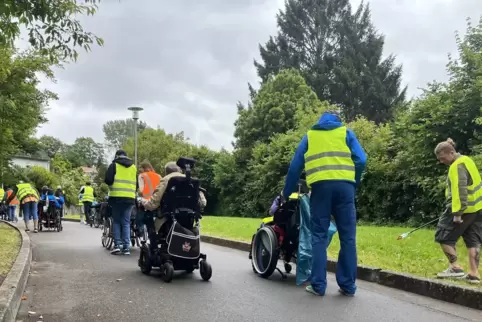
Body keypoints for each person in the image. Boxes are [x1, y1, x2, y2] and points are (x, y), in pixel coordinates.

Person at [282, 110, 367, 297]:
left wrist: (286, 192)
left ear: (320, 121)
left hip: (320, 190)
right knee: (348, 237)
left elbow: (295, 166)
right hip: (345, 189)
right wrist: (354, 181)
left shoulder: (310, 135)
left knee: (318, 236)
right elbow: (361, 159)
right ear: (338, 120)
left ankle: (318, 285)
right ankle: (348, 285)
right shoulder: (345, 132)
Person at [434, 138, 482, 285]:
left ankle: (455, 268)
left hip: (462, 209)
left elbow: (460, 191)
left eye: (442, 158)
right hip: (477, 208)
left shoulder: (457, 166)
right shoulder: (467, 160)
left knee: (443, 235)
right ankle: (474, 274)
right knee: (473, 240)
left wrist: (457, 214)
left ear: (451, 152)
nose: (441, 162)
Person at [141, 161, 206, 238]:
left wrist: (143, 203)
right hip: (189, 219)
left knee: (148, 216)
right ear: (180, 170)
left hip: (167, 219)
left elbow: (154, 202)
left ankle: (153, 246)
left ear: (166, 172)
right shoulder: (191, 180)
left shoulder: (166, 180)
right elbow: (203, 202)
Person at [105, 150, 138, 255]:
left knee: (117, 221)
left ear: (117, 156)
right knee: (126, 222)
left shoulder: (114, 165)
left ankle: (117, 245)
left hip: (116, 197)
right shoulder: (133, 167)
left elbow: (108, 180)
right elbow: (136, 185)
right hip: (130, 198)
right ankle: (126, 247)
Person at [137, 160, 161, 238]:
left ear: (143, 168)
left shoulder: (142, 175)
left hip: (147, 201)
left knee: (139, 215)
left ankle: (140, 231)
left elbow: (141, 190)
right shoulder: (158, 176)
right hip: (158, 202)